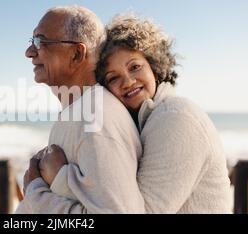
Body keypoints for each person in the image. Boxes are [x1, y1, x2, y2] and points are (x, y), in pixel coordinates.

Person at [38, 14, 232, 213]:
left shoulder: (176, 118)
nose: (128, 81)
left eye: (135, 67)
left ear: (155, 67)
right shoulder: (146, 121)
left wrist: (60, 178)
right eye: (113, 78)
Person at [15, 6, 145, 214]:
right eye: (31, 42)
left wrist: (35, 192)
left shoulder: (95, 117)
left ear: (76, 54)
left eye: (40, 41)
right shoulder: (81, 110)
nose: (29, 52)